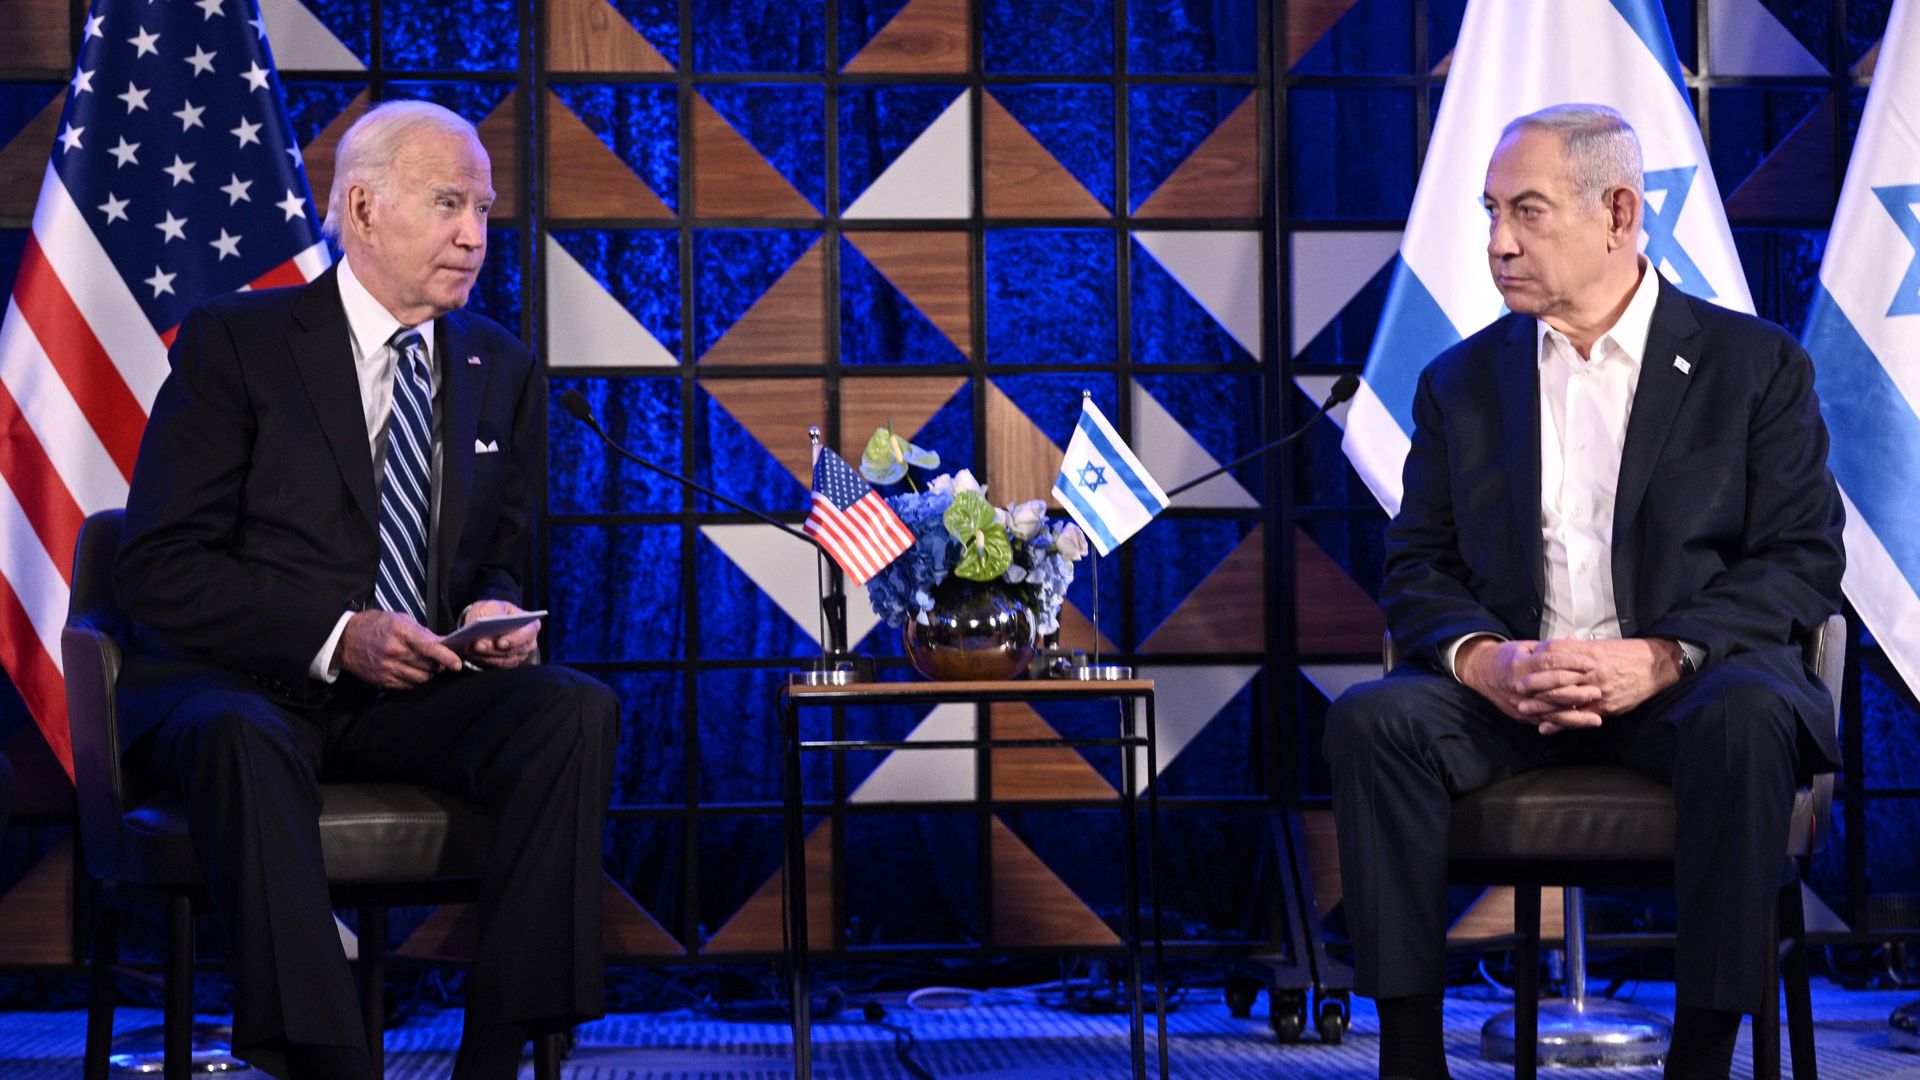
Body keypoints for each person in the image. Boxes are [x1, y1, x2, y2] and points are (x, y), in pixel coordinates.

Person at [1322, 104, 1844, 1080]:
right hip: (1514, 696)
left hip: (1689, 691)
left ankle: (1702, 1059)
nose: (1498, 242)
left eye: (1527, 211)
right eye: (1490, 213)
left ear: (1618, 214)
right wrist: (1487, 661)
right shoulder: (1458, 382)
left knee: (1748, 718)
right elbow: (1418, 567)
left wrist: (1661, 656)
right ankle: (1409, 1059)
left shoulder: (1753, 366)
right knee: (1372, 722)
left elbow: (1801, 558)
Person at [113, 100, 618, 1080]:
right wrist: (337, 633)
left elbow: (501, 556)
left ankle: (499, 1054)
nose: (475, 235)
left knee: (572, 712)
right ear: (362, 207)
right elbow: (158, 565)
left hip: (410, 695)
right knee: (239, 737)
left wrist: (489, 611)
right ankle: (330, 1063)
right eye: (448, 203)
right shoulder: (238, 342)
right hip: (247, 684)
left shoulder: (500, 365)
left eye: (484, 209)